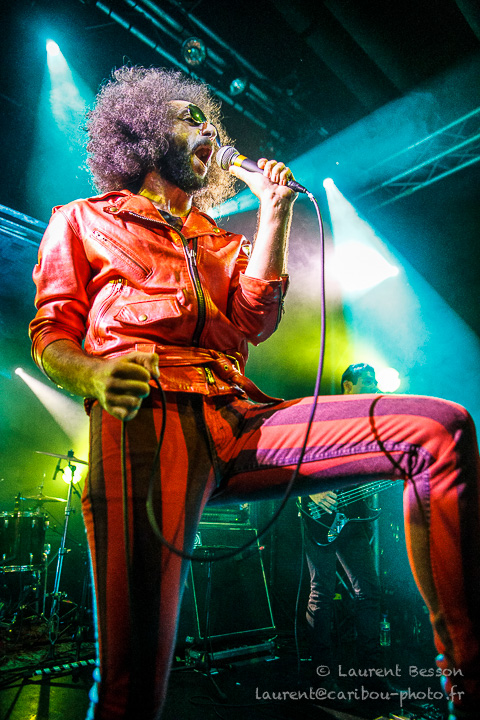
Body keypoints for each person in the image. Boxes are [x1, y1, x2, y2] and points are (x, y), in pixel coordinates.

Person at [29, 66, 479, 720]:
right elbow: (52, 333)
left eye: (209, 119)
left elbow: (254, 321)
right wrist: (93, 375)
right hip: (150, 415)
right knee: (133, 686)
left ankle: (465, 684)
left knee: (439, 429)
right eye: (188, 117)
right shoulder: (82, 220)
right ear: (142, 133)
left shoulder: (218, 240)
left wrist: (274, 211)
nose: (207, 128)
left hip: (241, 415)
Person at [301, 364, 386, 692]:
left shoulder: (373, 424)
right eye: (368, 381)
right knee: (321, 592)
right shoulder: (325, 414)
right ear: (348, 385)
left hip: (354, 517)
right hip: (320, 514)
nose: (374, 385)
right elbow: (293, 456)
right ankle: (321, 678)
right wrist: (311, 490)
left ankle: (372, 676)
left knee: (369, 592)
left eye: (376, 381)